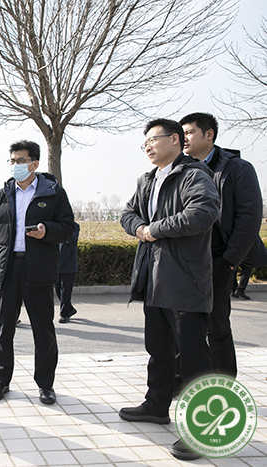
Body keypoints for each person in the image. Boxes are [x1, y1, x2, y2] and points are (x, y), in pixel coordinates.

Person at [118, 118, 220, 461]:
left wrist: (155, 229)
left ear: (175, 139)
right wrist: (140, 228)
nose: (148, 146)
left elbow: (203, 213)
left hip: (186, 281)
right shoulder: (147, 179)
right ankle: (156, 405)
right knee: (158, 349)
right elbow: (128, 214)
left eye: (153, 139)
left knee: (193, 360)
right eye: (144, 143)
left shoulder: (194, 175)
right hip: (154, 279)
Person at [0, 140, 75, 405]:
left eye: (21, 161)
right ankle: (0, 381)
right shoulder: (1, 195)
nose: (15, 165)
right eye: (12, 161)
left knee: (43, 330)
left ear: (34, 164)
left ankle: (45, 385)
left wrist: (47, 231)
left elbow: (68, 227)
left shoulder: (53, 193)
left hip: (39, 268)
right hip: (8, 268)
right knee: (3, 328)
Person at [180, 112, 267, 377]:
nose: (183, 138)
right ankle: (182, 380)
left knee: (216, 325)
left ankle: (224, 384)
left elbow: (249, 217)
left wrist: (229, 260)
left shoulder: (237, 168)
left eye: (189, 132)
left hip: (219, 258)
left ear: (209, 134)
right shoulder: (180, 169)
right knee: (182, 324)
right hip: (185, 259)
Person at [57, 221, 80, 324]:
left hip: (69, 263)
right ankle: (70, 309)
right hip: (57, 262)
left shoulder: (74, 226)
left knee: (66, 290)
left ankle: (65, 314)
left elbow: (71, 240)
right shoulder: (56, 225)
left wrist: (64, 228)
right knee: (57, 288)